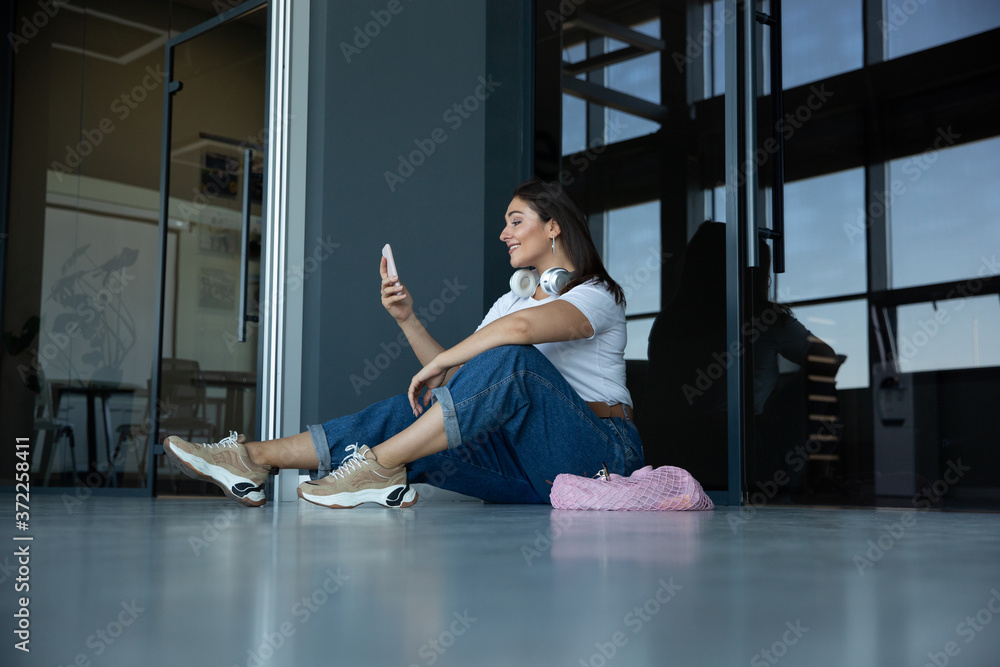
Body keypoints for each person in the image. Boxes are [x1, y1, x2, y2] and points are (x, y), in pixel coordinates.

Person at [163, 179, 644, 508]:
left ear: (553, 225)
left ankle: (378, 466)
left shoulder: (594, 294)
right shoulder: (509, 303)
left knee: (513, 360)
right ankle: (251, 460)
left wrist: (457, 357)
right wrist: (408, 318)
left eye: (516, 221)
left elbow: (516, 341)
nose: (504, 233)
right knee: (418, 410)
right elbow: (459, 386)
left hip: (598, 458)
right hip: (530, 468)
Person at [641, 221, 837, 489]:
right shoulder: (763, 318)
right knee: (819, 380)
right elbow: (826, 359)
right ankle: (818, 478)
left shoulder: (667, 322)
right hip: (749, 457)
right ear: (752, 273)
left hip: (680, 459)